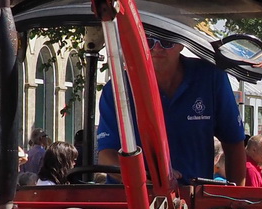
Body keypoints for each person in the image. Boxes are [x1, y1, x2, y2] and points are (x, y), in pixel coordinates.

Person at [96, 35, 246, 183]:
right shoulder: (117, 89)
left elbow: (234, 143)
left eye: (166, 41)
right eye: (148, 42)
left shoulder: (211, 77)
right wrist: (147, 178)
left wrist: (236, 200)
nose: (157, 48)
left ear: (182, 44)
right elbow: (107, 154)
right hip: (132, 199)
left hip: (194, 200)